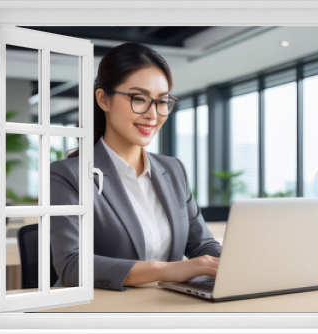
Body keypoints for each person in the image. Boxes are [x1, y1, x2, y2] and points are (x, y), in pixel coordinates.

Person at [50, 42, 221, 291]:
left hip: (163, 307)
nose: (153, 114)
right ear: (103, 100)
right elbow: (72, 265)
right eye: (139, 99)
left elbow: (202, 245)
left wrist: (232, 263)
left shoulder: (174, 170)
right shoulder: (68, 176)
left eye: (162, 102)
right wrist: (173, 270)